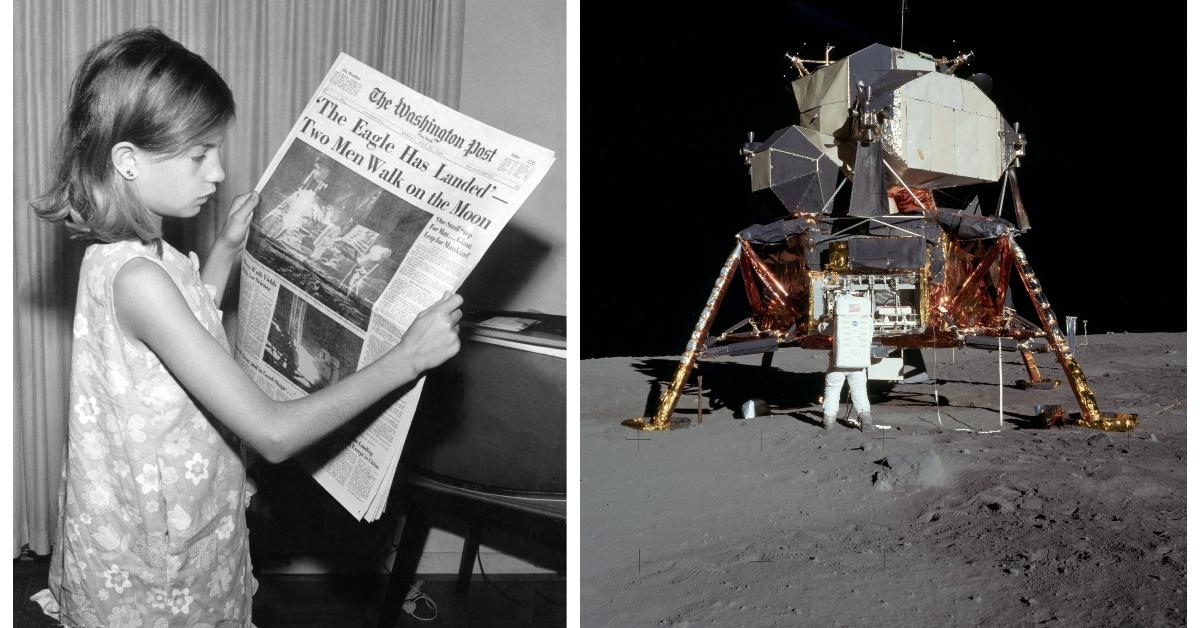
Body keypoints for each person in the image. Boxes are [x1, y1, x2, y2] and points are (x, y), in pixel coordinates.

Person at [31, 28, 462, 627]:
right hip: (159, 561)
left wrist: (227, 252)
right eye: (198, 154)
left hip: (182, 516)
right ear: (127, 160)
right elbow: (273, 434)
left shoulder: (133, 254)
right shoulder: (138, 278)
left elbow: (182, 335)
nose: (218, 171)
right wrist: (406, 358)